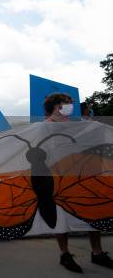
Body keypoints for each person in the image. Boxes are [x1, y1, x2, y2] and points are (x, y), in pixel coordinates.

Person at [44, 93, 113, 272]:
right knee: (61, 219)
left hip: (85, 176)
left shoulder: (77, 125)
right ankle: (64, 254)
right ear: (56, 106)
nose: (70, 106)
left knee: (93, 212)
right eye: (67, 104)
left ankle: (97, 253)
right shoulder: (45, 127)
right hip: (59, 179)